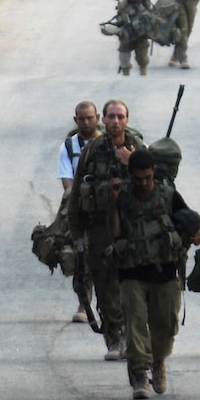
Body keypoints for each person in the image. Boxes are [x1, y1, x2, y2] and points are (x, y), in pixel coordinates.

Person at [110, 149, 200, 399]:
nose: (143, 183)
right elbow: (114, 233)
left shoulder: (167, 195)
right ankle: (140, 374)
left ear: (154, 173)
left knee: (165, 328)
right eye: (138, 178)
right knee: (134, 326)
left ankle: (158, 362)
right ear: (130, 176)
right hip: (132, 272)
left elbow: (191, 220)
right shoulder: (122, 197)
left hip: (165, 272)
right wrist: (113, 202)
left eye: (147, 177)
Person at [68, 99, 144, 360]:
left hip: (134, 228)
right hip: (100, 226)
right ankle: (114, 337)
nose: (115, 121)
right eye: (110, 117)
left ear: (127, 119)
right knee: (105, 284)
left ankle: (132, 336)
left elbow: (157, 186)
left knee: (133, 284)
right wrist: (77, 237)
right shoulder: (93, 150)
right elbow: (77, 193)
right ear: (105, 119)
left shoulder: (138, 148)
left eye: (120, 116)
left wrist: (131, 163)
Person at [57, 101, 102, 323]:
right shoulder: (69, 146)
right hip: (80, 208)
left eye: (90, 118)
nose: (86, 122)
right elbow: (66, 179)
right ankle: (84, 304)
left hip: (106, 206)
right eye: (81, 119)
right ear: (76, 120)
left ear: (98, 118)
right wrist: (77, 200)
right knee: (78, 256)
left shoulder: (107, 143)